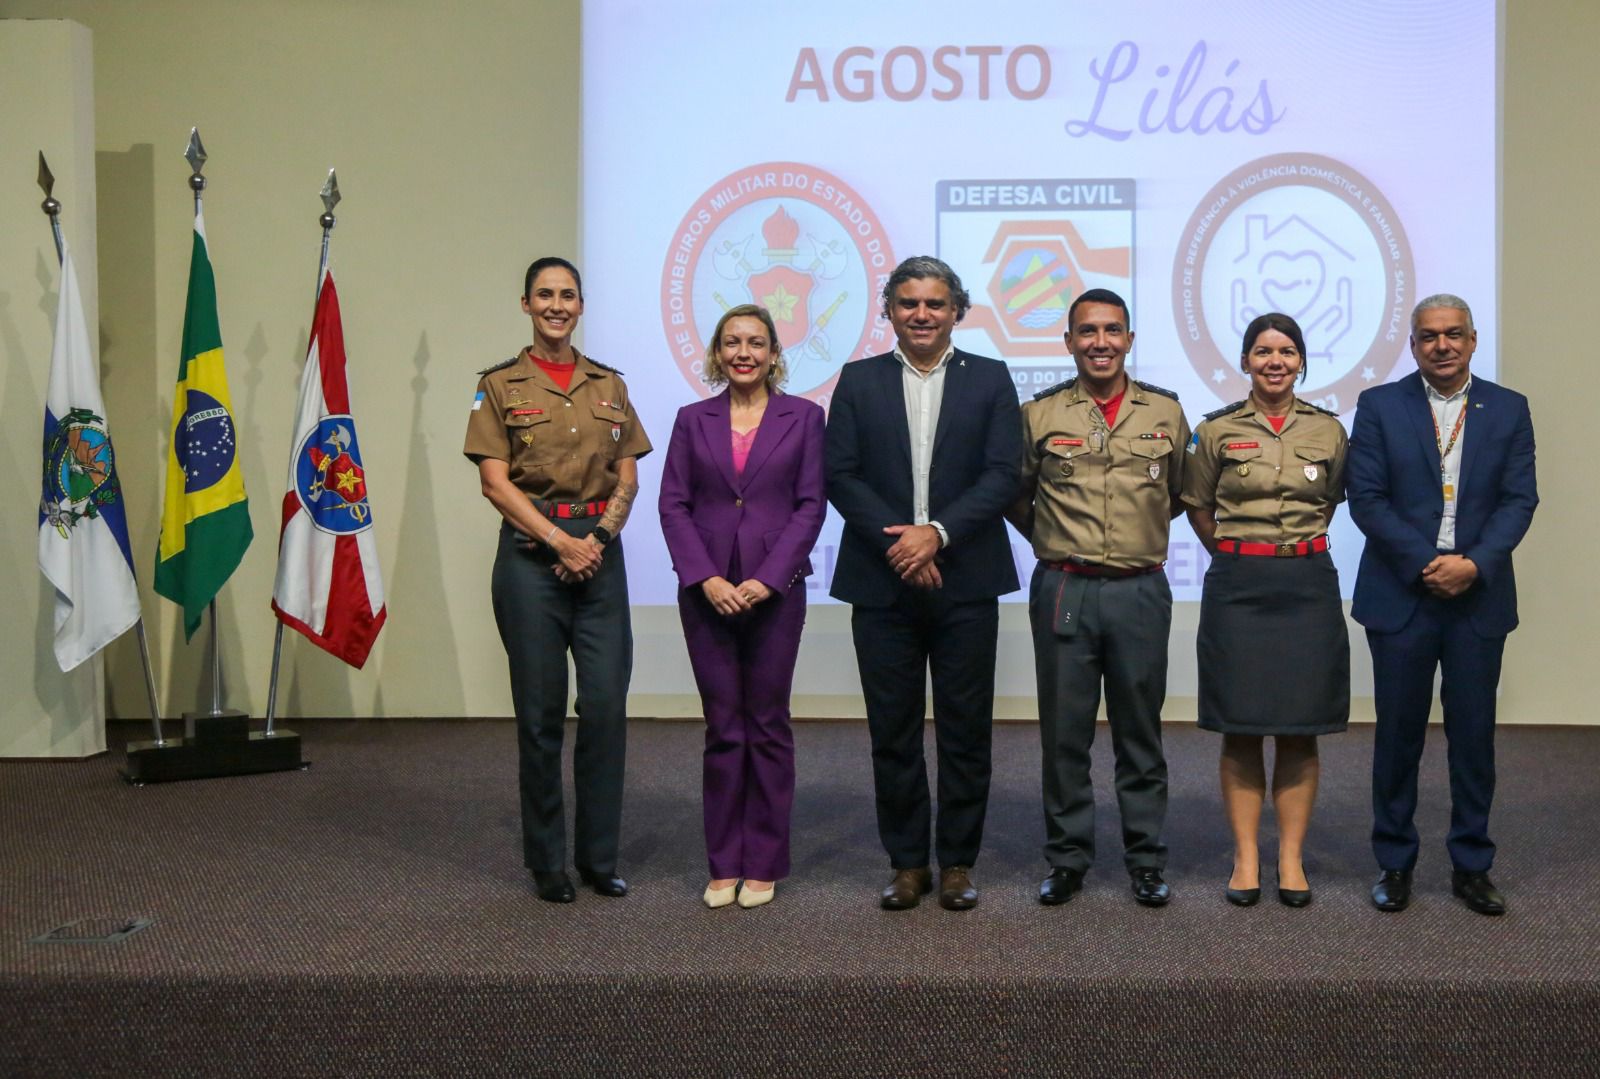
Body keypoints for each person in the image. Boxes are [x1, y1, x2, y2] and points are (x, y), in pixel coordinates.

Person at [825, 256, 1021, 912]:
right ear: (889, 310)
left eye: (935, 303)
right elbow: (841, 475)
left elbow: (1002, 473)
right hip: (882, 586)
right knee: (893, 731)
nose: (921, 314)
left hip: (965, 580)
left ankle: (958, 861)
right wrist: (903, 543)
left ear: (957, 310)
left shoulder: (991, 379)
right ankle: (907, 862)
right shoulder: (857, 381)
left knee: (967, 730)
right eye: (908, 303)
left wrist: (935, 532)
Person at [462, 256, 652, 904]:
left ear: (581, 305)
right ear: (525, 304)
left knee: (604, 709)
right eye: (545, 294)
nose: (556, 305)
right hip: (530, 564)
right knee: (540, 717)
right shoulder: (498, 384)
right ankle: (548, 861)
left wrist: (593, 541)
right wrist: (558, 541)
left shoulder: (610, 384)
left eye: (567, 295)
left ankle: (598, 857)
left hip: (599, 561)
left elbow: (627, 475)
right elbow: (494, 480)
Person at [1347, 294, 1538, 916]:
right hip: (1403, 594)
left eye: (1454, 334)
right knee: (1398, 738)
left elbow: (1519, 500)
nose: (1443, 346)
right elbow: (1366, 498)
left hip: (1477, 597)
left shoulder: (1509, 409)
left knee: (1473, 738)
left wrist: (1474, 563)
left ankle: (1472, 865)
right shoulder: (1379, 406)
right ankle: (1395, 862)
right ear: (1413, 344)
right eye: (1429, 336)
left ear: (1474, 340)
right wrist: (1427, 563)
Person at [1009, 288, 1190, 908]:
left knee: (1141, 732)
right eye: (1087, 332)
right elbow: (1015, 493)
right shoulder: (1039, 415)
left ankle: (1145, 859)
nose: (1100, 342)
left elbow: (1182, 493)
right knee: (1065, 734)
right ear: (1068, 342)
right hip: (1065, 587)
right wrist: (1058, 542)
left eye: (1112, 330)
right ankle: (1067, 858)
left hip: (1139, 589)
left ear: (1130, 340)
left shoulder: (1165, 413)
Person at [658, 304, 826, 910]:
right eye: (732, 343)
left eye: (756, 342)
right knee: (724, 728)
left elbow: (811, 506)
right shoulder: (690, 419)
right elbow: (673, 504)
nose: (744, 352)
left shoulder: (805, 417)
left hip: (774, 593)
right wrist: (704, 577)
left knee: (768, 725)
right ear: (716, 353)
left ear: (775, 354)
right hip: (706, 594)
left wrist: (768, 578)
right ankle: (724, 860)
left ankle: (764, 860)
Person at [1182, 312, 1349, 909]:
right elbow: (1199, 506)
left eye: (1285, 351)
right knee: (1242, 725)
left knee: (1301, 728)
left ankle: (1291, 858)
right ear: (1245, 361)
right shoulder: (1216, 430)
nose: (1274, 361)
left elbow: (1328, 502)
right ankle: (1247, 855)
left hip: (1306, 584)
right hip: (1238, 586)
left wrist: (1286, 550)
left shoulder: (1329, 430)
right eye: (1262, 351)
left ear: (1301, 360)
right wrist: (1243, 553)